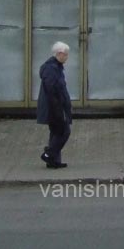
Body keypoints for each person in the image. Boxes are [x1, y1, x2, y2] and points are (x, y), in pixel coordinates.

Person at [37, 41, 73, 169]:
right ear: (59, 54)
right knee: (64, 131)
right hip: (55, 107)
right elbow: (52, 91)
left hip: (56, 106)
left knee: (55, 132)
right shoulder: (52, 69)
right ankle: (49, 154)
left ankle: (54, 161)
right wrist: (58, 109)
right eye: (66, 54)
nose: (67, 57)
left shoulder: (55, 67)